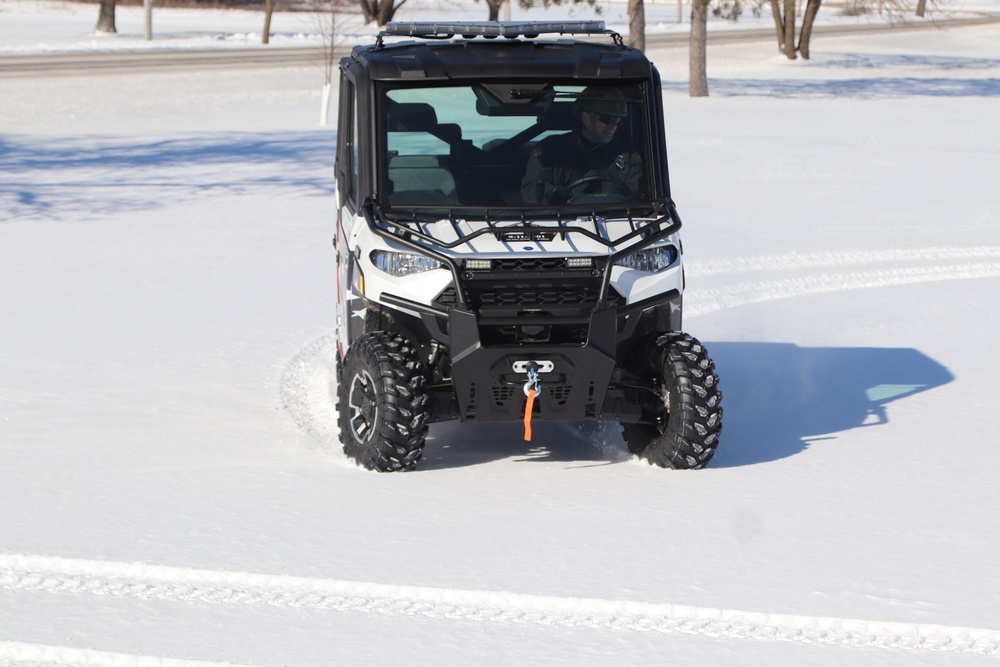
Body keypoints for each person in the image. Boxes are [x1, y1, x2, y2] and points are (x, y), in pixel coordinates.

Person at [520, 87, 644, 205]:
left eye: (617, 120)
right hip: (561, 222)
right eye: (606, 119)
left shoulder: (628, 156)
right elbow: (531, 189)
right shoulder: (551, 149)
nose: (613, 126)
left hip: (615, 223)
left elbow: (638, 198)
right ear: (586, 117)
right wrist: (552, 195)